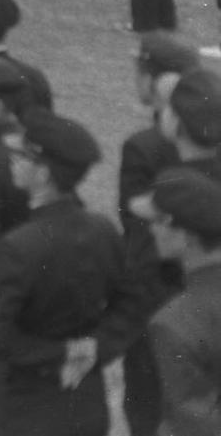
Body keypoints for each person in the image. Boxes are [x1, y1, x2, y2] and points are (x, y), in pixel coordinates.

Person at [0, 110, 147, 436]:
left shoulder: (18, 245)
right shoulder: (103, 229)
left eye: (23, 155)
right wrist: (96, 347)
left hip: (29, 403)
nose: (14, 161)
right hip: (86, 398)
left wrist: (61, 353)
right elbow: (131, 304)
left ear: (44, 174)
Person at [127, 169, 221, 436]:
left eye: (157, 221)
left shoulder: (174, 322)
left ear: (185, 235)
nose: (152, 231)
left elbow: (198, 425)